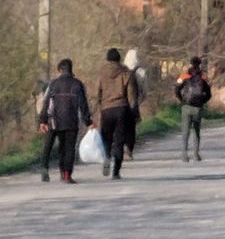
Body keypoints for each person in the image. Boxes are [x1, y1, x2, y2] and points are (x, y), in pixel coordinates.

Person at [37, 58, 94, 183]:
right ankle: (66, 174)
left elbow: (46, 103)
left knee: (49, 146)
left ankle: (44, 171)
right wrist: (88, 122)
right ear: (71, 69)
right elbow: (83, 105)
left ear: (60, 70)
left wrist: (42, 121)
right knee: (68, 148)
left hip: (54, 121)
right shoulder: (77, 84)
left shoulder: (53, 84)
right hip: (71, 121)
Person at [95, 47, 140, 180]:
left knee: (106, 137)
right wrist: (134, 112)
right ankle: (116, 172)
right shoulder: (126, 72)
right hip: (122, 109)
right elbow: (132, 94)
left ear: (107, 59)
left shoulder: (101, 73)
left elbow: (97, 93)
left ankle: (107, 156)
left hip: (106, 109)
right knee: (119, 140)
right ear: (119, 59)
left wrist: (98, 109)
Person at [174, 56, 212, 162]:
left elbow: (176, 89)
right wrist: (202, 101)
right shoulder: (203, 77)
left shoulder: (184, 76)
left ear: (190, 64)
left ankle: (184, 154)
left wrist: (181, 100)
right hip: (198, 108)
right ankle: (196, 154)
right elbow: (209, 94)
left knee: (185, 131)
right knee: (196, 131)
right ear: (199, 64)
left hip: (186, 106)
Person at [123, 49, 147, 159]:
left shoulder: (122, 71)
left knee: (122, 126)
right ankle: (129, 150)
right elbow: (144, 91)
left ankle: (120, 147)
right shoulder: (141, 71)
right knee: (132, 128)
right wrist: (139, 100)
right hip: (133, 103)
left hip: (121, 102)